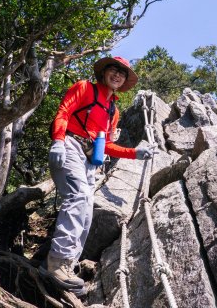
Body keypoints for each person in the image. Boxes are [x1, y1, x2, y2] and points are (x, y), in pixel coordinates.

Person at [39, 56, 153, 294]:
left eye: (122, 73)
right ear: (104, 73)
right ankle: (57, 262)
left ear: (124, 81)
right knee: (79, 197)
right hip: (70, 145)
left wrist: (134, 153)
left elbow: (107, 145)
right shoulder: (84, 88)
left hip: (89, 161)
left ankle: (66, 267)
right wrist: (58, 141)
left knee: (87, 210)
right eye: (114, 69)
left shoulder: (114, 111)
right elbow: (63, 112)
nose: (118, 75)